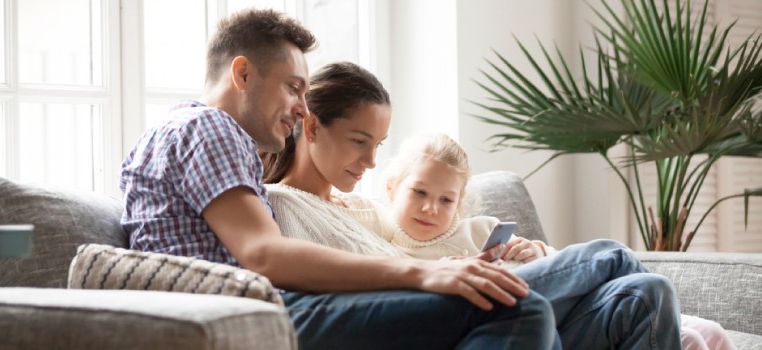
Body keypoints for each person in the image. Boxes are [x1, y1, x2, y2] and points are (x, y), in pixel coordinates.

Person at [121, 9, 558, 350]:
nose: (301, 109)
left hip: (259, 309)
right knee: (516, 308)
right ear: (242, 74)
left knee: (521, 309)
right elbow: (264, 254)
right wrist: (424, 274)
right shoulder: (210, 128)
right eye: (293, 88)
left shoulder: (173, 134)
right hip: (255, 315)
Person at [261, 63, 683, 348]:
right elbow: (347, 300)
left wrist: (486, 259)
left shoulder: (361, 208)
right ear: (311, 127)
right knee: (609, 254)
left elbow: (415, 244)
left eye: (378, 146)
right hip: (434, 317)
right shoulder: (283, 205)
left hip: (461, 307)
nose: (371, 161)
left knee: (646, 293)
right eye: (359, 141)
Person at [380, 133, 735, 350]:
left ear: (459, 204)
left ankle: (660, 317)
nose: (430, 208)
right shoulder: (386, 242)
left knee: (658, 292)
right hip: (489, 314)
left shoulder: (479, 229)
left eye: (446, 200)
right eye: (419, 192)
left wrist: (537, 251)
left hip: (548, 309)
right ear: (392, 187)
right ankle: (668, 319)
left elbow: (562, 271)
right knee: (609, 253)